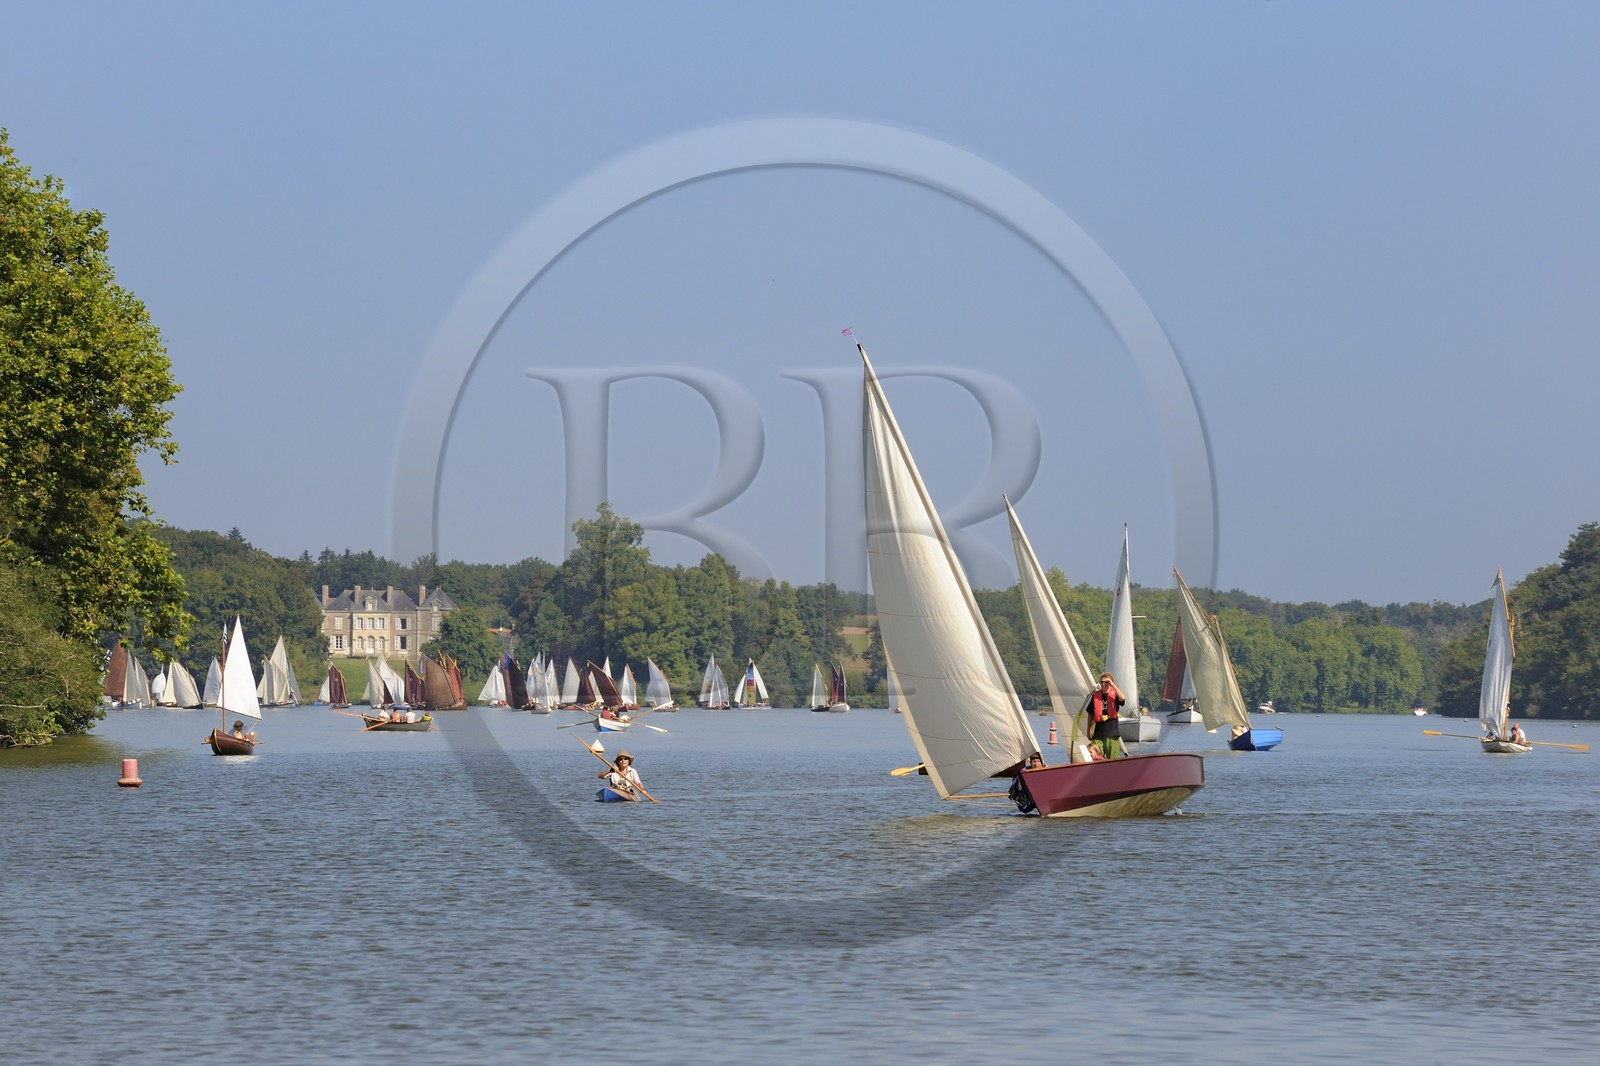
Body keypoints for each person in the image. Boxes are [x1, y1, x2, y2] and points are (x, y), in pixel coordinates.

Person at [1085, 673, 1126, 759]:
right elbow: (1090, 714)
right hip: (1098, 734)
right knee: (1096, 758)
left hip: (1112, 733)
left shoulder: (1115, 695)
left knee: (1113, 760)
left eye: (1106, 682)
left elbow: (1122, 698)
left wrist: (1112, 684)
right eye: (1101, 682)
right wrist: (1088, 731)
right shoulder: (1095, 696)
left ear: (1110, 683)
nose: (1103, 684)